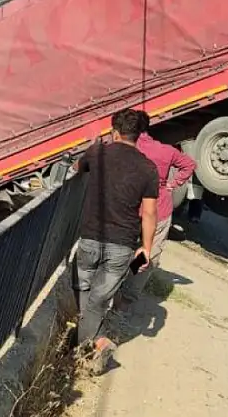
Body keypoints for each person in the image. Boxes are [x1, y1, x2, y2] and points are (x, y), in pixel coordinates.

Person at [73, 108, 159, 375]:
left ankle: (91, 345)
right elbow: (149, 213)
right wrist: (145, 248)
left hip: (90, 236)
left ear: (114, 132)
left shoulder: (97, 152)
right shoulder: (148, 168)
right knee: (99, 300)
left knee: (82, 288)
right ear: (139, 136)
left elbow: (78, 168)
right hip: (123, 245)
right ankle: (92, 344)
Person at [114, 111, 195, 311]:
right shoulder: (166, 151)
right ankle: (126, 297)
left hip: (130, 206)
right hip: (159, 209)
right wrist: (172, 184)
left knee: (122, 247)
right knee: (147, 255)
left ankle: (112, 286)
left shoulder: (128, 146)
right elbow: (190, 164)